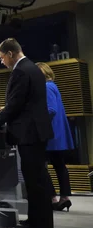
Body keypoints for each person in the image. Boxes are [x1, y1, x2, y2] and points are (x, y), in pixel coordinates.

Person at [0, 38, 54, 228]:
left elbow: (15, 104)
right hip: (37, 131)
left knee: (34, 180)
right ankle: (39, 220)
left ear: (10, 54)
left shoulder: (20, 71)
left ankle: (39, 223)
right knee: (38, 179)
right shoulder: (33, 68)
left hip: (29, 133)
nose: (2, 62)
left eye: (2, 58)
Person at [36, 62, 75, 212]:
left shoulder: (46, 87)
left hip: (50, 134)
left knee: (42, 166)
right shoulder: (53, 86)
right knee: (60, 166)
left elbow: (51, 110)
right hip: (57, 133)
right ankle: (64, 198)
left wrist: (36, 120)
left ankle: (52, 197)